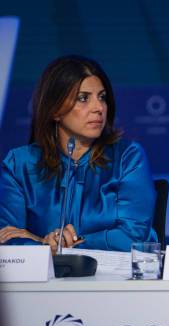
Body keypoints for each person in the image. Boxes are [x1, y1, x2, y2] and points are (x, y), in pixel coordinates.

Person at [0, 55, 158, 253]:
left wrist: (59, 244)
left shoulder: (128, 157)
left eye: (102, 97)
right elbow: (8, 238)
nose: (98, 108)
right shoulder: (19, 164)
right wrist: (44, 245)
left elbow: (134, 236)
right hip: (46, 282)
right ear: (55, 110)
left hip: (114, 280)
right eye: (83, 98)